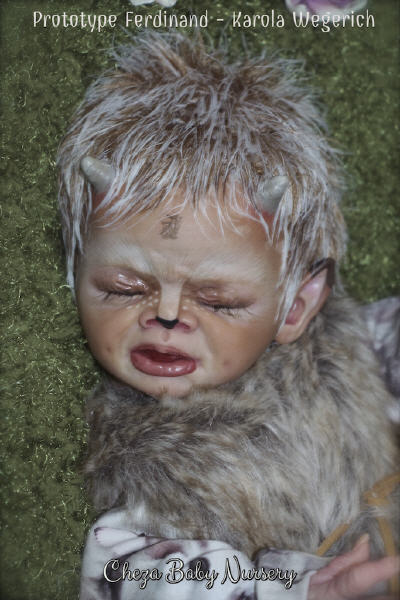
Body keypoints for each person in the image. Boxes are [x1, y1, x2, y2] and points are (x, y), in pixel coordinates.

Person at [57, 32, 399, 599]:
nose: (167, 314)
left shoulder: (353, 344)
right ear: (74, 277)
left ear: (296, 307)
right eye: (124, 289)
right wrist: (296, 592)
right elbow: (139, 575)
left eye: (219, 301)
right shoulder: (142, 465)